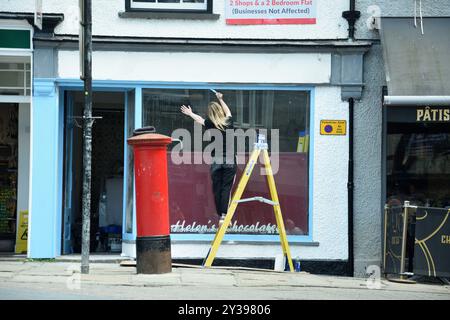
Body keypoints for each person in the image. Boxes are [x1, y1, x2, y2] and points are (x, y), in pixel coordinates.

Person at [180, 91, 237, 226]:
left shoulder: (210, 124)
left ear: (210, 113)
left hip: (216, 160)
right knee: (226, 188)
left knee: (217, 188)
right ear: (220, 111)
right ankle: (224, 216)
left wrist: (190, 113)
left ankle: (220, 215)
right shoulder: (228, 122)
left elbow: (199, 119)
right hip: (229, 160)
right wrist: (221, 100)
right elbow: (228, 112)